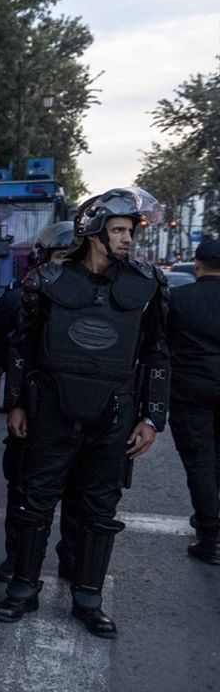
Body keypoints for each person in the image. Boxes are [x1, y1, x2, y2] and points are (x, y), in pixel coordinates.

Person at [0, 187, 169, 639]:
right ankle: (22, 589)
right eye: (118, 230)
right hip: (51, 408)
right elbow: (23, 346)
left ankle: (88, 598)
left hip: (113, 414)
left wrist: (152, 418)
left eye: (130, 231)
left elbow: (157, 354)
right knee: (34, 501)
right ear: (94, 233)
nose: (127, 239)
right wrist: (15, 401)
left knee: (98, 509)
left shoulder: (147, 284)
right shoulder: (47, 281)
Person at [0, 221, 84, 583]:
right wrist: (18, 398)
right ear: (43, 259)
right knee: (24, 490)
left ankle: (73, 561)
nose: (66, 267)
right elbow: (3, 348)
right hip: (33, 409)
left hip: (81, 412)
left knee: (79, 491)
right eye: (60, 258)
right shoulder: (18, 298)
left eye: (74, 259)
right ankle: (18, 558)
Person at [165, 240, 220, 565]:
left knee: (199, 461)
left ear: (197, 266)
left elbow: (164, 343)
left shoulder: (180, 299)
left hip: (190, 391)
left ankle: (210, 535)